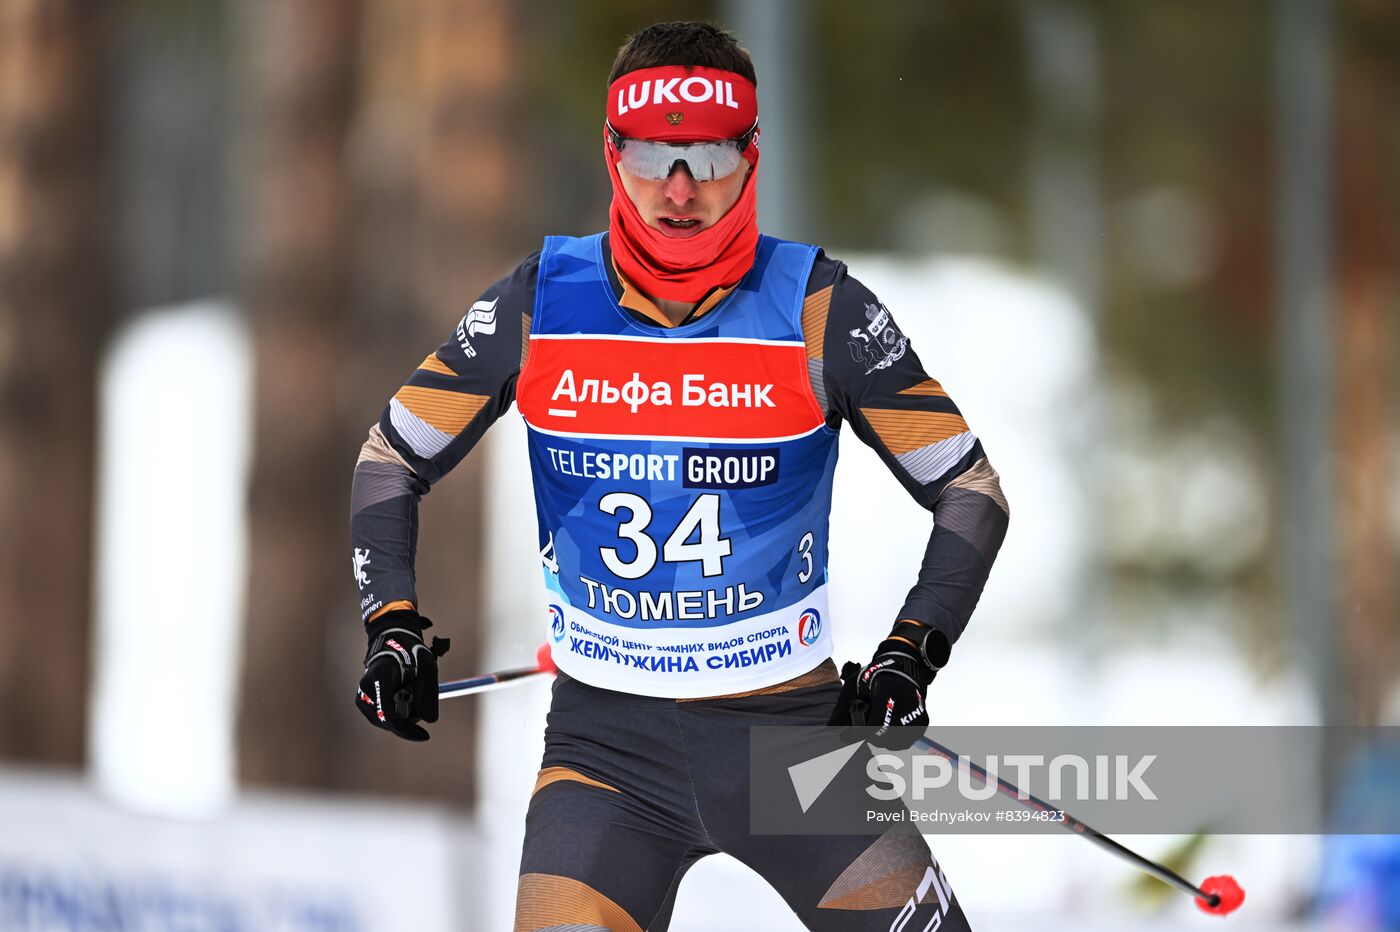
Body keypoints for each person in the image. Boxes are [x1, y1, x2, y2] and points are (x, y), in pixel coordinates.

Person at [350, 21, 1008, 931]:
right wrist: (390, 624)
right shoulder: (541, 300)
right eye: (655, 155)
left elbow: (969, 490)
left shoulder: (819, 307)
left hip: (793, 750)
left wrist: (912, 652)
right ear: (613, 154)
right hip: (603, 757)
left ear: (751, 158)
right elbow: (391, 458)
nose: (681, 189)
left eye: (708, 157)